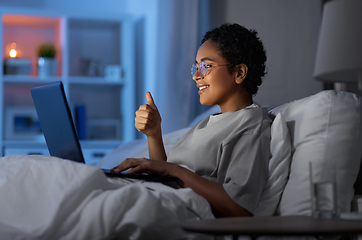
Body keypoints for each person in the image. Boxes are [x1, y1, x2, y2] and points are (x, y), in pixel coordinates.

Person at [112, 23, 271, 218]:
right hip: (163, 198)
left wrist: (175, 170)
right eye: (196, 67)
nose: (196, 76)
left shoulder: (251, 124)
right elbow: (167, 176)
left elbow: (239, 207)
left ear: (239, 73)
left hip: (183, 213)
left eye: (206, 66)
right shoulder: (210, 122)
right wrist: (154, 134)